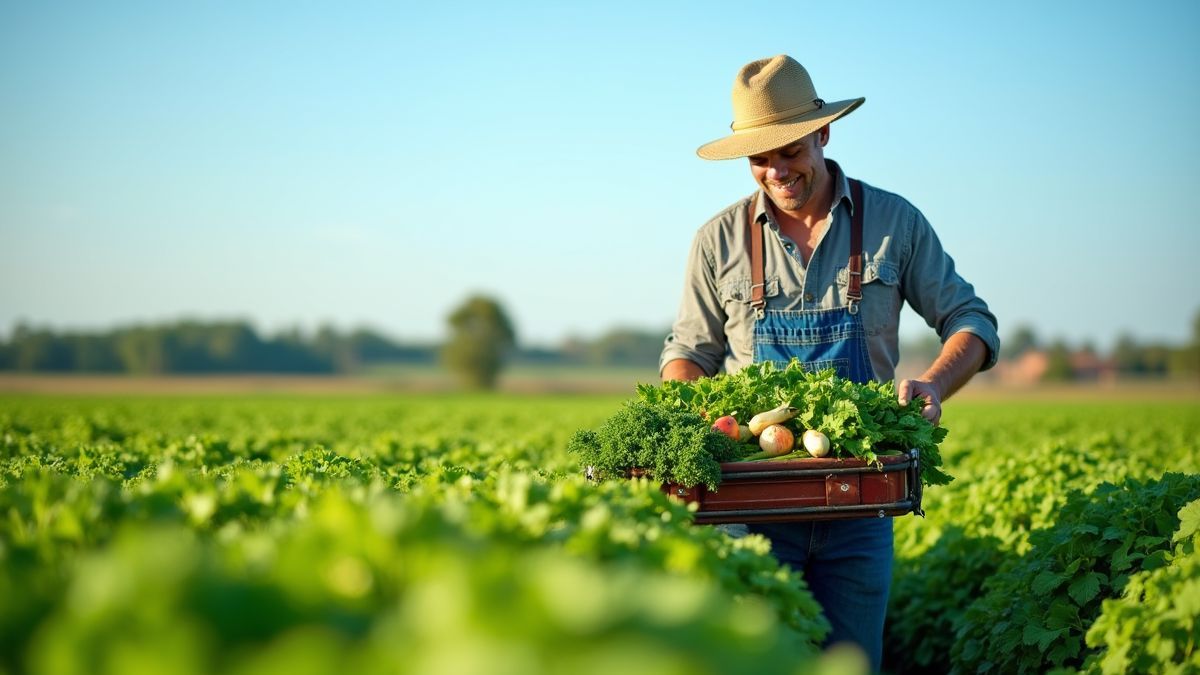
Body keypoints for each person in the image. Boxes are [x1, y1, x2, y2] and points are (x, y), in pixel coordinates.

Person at [659, 54, 999, 672]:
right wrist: (690, 410)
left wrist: (934, 383)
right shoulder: (718, 240)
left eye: (790, 150)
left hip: (859, 503)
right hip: (750, 505)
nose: (776, 170)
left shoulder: (894, 222)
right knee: (755, 662)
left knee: (851, 662)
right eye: (759, 157)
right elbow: (688, 353)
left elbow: (971, 321)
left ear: (823, 133)